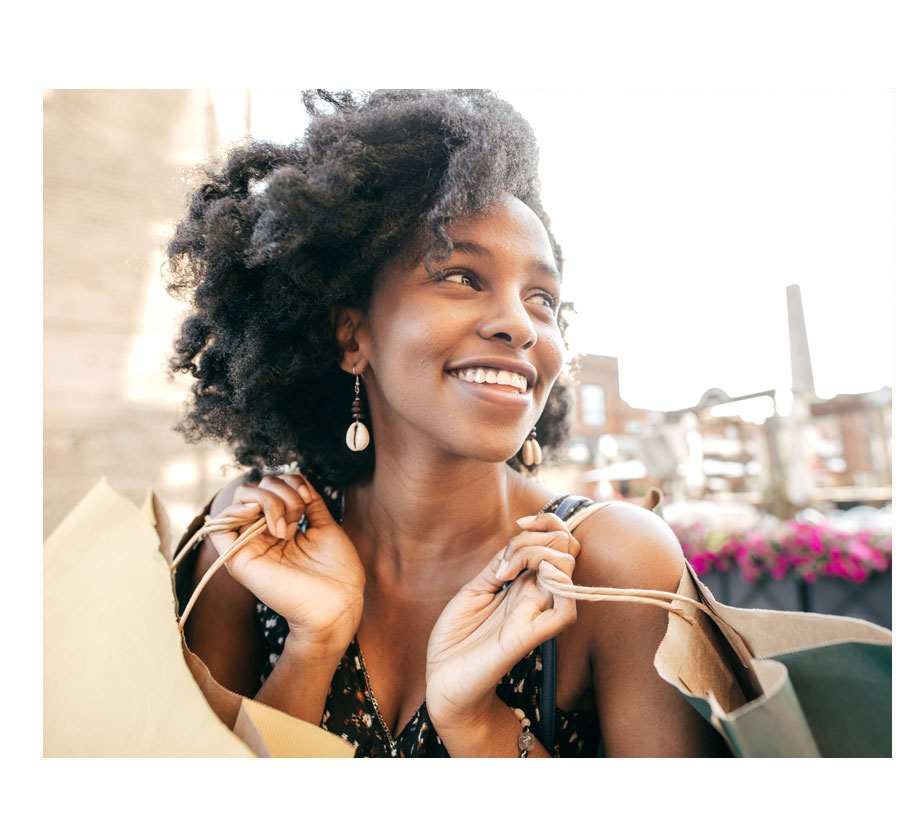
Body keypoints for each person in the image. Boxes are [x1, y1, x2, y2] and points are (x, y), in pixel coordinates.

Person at [166, 89, 726, 757]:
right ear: (352, 337)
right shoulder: (258, 540)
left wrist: (478, 723)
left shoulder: (612, 565)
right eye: (462, 275)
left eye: (541, 297)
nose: (520, 324)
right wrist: (311, 649)